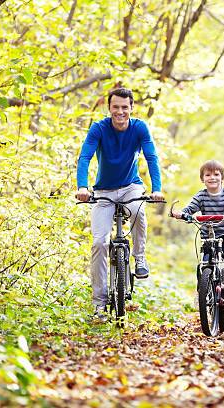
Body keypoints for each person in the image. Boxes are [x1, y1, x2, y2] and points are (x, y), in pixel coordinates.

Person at [75, 88, 164, 320]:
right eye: (116, 107)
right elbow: (85, 157)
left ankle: (140, 256)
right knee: (99, 244)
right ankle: (99, 305)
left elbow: (151, 157)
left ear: (131, 108)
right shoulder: (99, 128)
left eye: (125, 107)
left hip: (130, 186)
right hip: (103, 190)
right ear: (109, 108)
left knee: (138, 210)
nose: (120, 111)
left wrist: (156, 189)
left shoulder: (139, 128)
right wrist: (83, 187)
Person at [171, 160, 224, 309]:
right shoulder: (201, 196)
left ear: (222, 177)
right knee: (203, 264)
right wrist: (181, 214)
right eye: (208, 175)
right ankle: (202, 293)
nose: (212, 177)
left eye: (216, 174)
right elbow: (189, 209)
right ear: (202, 179)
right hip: (208, 236)